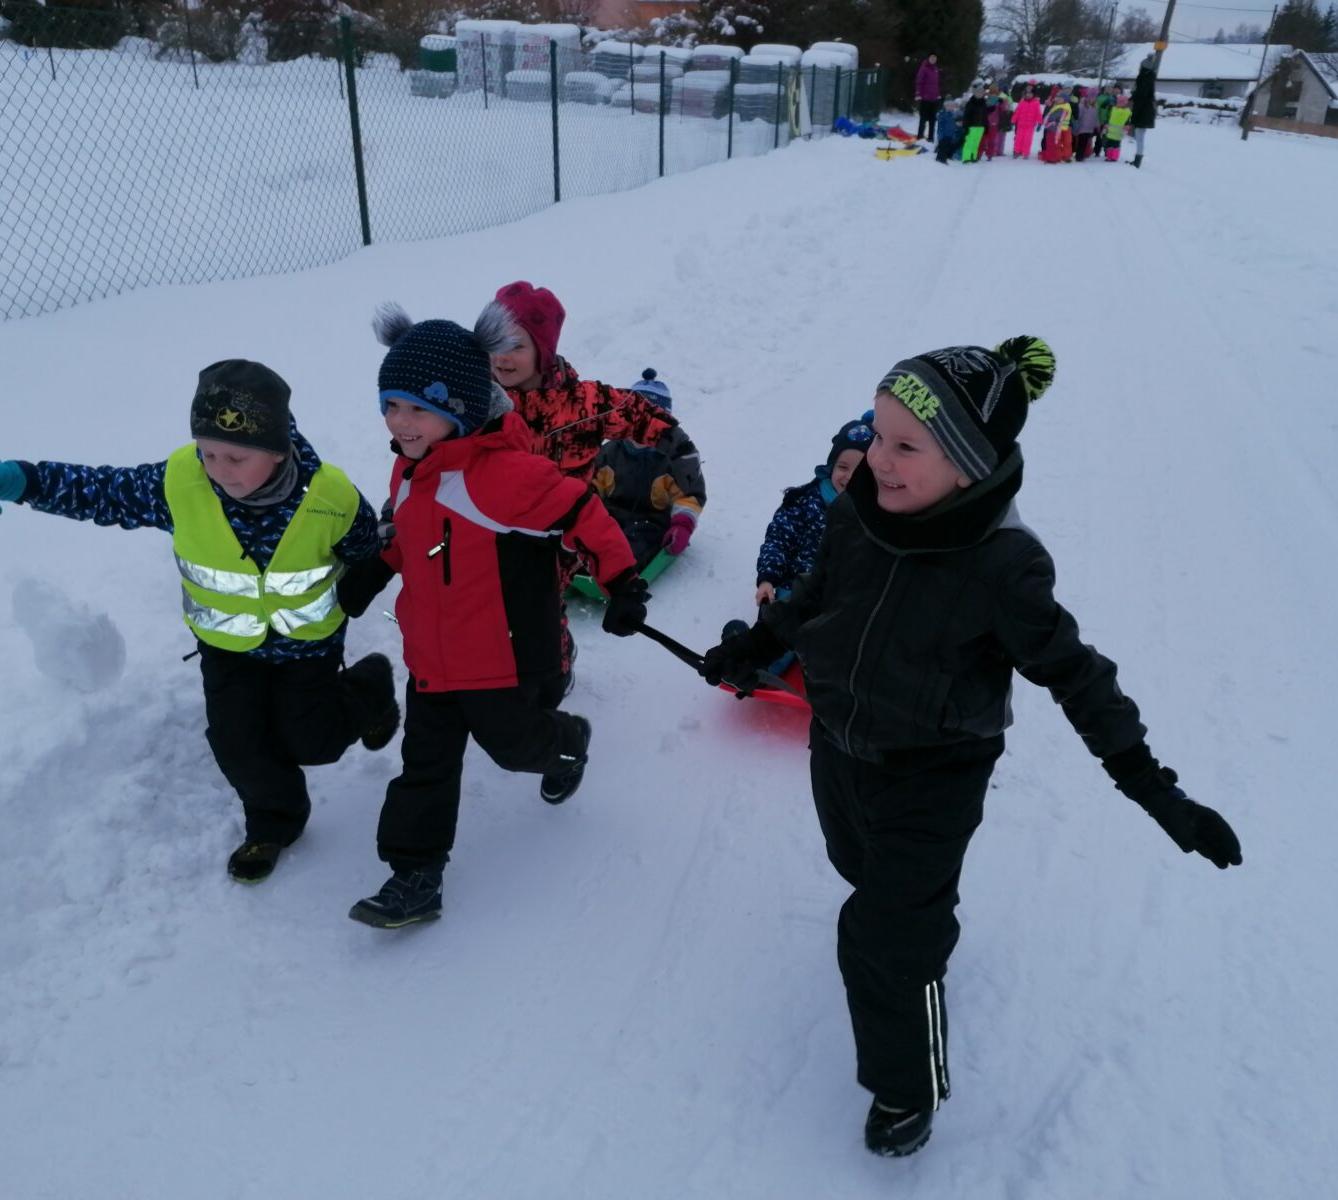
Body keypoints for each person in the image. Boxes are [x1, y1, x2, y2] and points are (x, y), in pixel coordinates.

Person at [699, 337, 1242, 1159]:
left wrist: (1151, 785)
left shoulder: (1004, 564)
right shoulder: (859, 512)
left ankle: (905, 1089)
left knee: (883, 939)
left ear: (968, 462)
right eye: (876, 436)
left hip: (935, 770)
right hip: (840, 747)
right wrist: (756, 644)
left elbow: (1077, 675)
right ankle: (919, 920)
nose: (877, 460)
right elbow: (817, 596)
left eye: (905, 445)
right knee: (864, 873)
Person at [0, 360, 398, 883]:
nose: (220, 468)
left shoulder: (331, 498)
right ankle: (273, 822)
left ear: (279, 450)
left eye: (237, 456)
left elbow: (366, 548)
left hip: (308, 649)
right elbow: (102, 491)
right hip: (226, 649)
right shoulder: (180, 483)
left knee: (314, 742)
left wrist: (362, 584)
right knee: (238, 741)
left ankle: (369, 688)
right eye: (208, 452)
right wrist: (21, 480)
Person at [343, 304, 649, 929]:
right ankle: (414, 876)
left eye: (416, 409)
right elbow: (413, 532)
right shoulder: (410, 467)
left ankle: (567, 741)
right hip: (431, 661)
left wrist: (623, 583)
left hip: (496, 661)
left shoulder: (505, 475)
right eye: (390, 406)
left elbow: (582, 512)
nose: (399, 423)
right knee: (423, 768)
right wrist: (379, 567)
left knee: (514, 749)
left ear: (457, 409)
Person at [487, 281, 703, 691]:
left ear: (543, 350)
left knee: (542, 607)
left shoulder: (581, 402)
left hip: (560, 534)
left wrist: (679, 447)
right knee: (493, 603)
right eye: (495, 343)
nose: (502, 356)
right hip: (494, 524)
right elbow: (440, 451)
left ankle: (556, 666)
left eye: (516, 345)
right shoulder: (481, 400)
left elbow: (636, 412)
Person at [590, 369, 705, 570]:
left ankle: (619, 571)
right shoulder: (609, 452)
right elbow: (589, 485)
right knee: (594, 537)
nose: (640, 431)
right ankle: (579, 565)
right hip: (610, 515)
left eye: (650, 424)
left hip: (650, 520)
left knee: (633, 546)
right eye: (634, 421)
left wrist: (682, 525)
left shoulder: (674, 459)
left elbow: (689, 495)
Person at [755, 416, 872, 607]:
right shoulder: (807, 500)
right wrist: (767, 579)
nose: (849, 477)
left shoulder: (873, 514)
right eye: (843, 467)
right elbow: (779, 539)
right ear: (831, 466)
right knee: (777, 624)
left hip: (838, 605)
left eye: (859, 471)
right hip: (792, 592)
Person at [1130, 55, 1157, 168]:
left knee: (1139, 136)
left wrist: (1133, 97)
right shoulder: (1148, 78)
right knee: (1140, 136)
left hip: (1143, 112)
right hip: (1146, 111)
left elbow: (1141, 97)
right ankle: (1137, 158)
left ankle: (1137, 160)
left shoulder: (1144, 79)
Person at [914, 53, 941, 142]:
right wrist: (918, 93)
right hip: (925, 98)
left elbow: (936, 84)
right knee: (923, 118)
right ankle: (920, 136)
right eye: (932, 58)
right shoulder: (924, 68)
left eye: (935, 58)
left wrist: (938, 94)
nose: (933, 60)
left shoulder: (936, 69)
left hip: (934, 98)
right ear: (928, 58)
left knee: (933, 119)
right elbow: (919, 81)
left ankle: (931, 138)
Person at [1011, 85, 1042, 158]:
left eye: (1030, 93)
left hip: (1030, 125)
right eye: (1027, 93)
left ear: (1033, 95)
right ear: (1024, 94)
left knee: (1027, 140)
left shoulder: (1036, 103)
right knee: (1018, 139)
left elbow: (1038, 113)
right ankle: (1017, 151)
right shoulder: (1022, 102)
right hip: (1020, 125)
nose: (1028, 95)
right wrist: (1013, 120)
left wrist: (1040, 122)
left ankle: (1025, 152)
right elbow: (1017, 112)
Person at [960, 86, 988, 163]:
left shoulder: (983, 103)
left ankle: (973, 156)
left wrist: (986, 126)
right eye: (978, 92)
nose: (980, 94)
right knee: (969, 142)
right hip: (971, 127)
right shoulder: (970, 103)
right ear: (975, 93)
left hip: (980, 127)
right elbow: (966, 116)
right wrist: (965, 127)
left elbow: (985, 116)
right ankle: (966, 157)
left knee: (976, 143)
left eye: (981, 93)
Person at [1104, 94, 1133, 161]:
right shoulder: (1113, 109)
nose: (1120, 104)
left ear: (1125, 103)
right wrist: (1106, 124)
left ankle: (1114, 157)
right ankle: (1109, 156)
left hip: (1119, 132)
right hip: (1111, 130)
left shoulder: (1127, 112)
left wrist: (1127, 126)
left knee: (1116, 145)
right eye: (1119, 102)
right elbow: (1109, 117)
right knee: (1109, 144)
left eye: (1122, 102)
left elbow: (1128, 121)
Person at [933, 100, 963, 164]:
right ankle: (940, 159)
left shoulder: (952, 114)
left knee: (948, 146)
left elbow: (954, 125)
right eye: (949, 106)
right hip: (944, 134)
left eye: (952, 106)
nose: (951, 107)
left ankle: (947, 157)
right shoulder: (943, 114)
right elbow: (940, 125)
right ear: (945, 106)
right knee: (943, 147)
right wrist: (940, 135)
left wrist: (953, 133)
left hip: (950, 134)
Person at [1073, 91, 1099, 161]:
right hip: (1082, 128)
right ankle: (1078, 156)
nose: (1092, 100)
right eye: (1091, 98)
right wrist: (1077, 124)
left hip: (1089, 128)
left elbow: (1095, 117)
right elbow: (1078, 116)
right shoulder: (1082, 105)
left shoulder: (1095, 107)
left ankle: (1082, 155)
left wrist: (1097, 125)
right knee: (1081, 142)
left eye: (1094, 98)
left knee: (1085, 142)